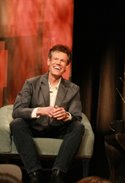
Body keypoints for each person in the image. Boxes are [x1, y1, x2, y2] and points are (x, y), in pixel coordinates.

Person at [10, 44, 84, 183]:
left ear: (66, 66)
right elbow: (17, 111)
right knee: (17, 123)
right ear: (48, 61)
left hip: (59, 129)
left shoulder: (73, 89)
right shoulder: (31, 83)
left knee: (78, 127)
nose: (58, 63)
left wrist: (66, 115)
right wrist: (41, 110)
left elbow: (76, 116)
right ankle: (34, 173)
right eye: (55, 59)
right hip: (35, 128)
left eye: (62, 61)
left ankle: (58, 173)